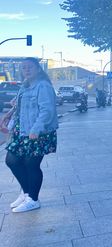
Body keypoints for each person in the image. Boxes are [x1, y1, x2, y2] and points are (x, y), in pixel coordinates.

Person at [2, 57, 58, 213]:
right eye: (24, 68)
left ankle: (33, 199)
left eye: (30, 67)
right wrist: (9, 113)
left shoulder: (43, 86)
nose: (26, 70)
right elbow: (18, 105)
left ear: (38, 69)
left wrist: (36, 129)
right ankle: (26, 192)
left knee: (31, 164)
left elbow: (47, 110)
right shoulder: (25, 86)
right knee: (12, 160)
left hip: (37, 131)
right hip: (22, 129)